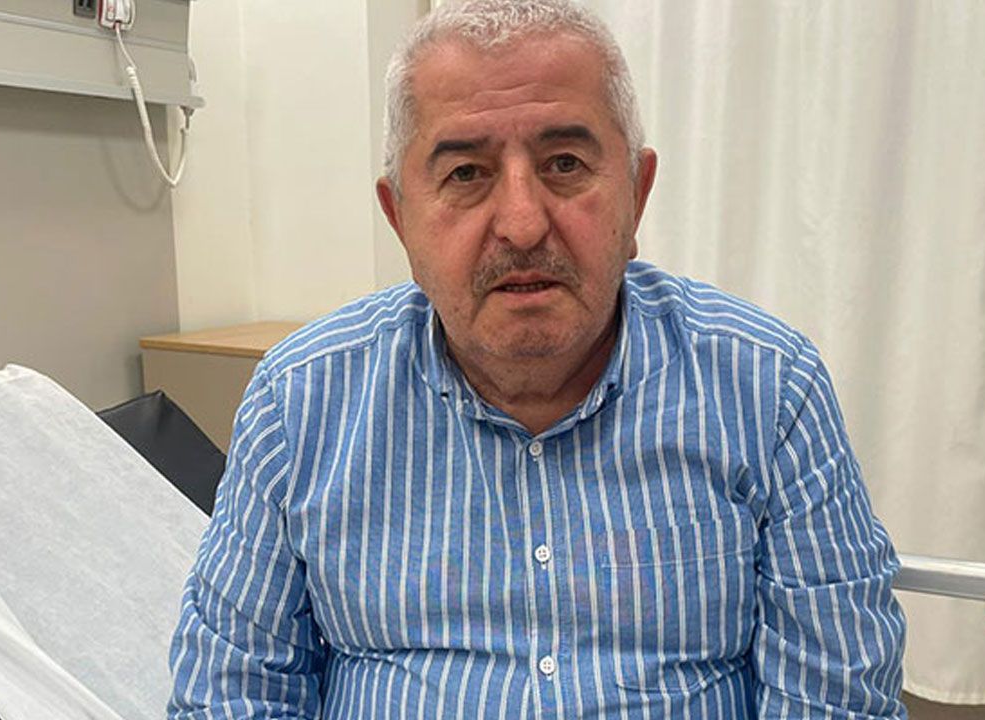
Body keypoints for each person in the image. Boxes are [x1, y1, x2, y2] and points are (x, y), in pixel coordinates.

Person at [168, 0, 907, 717]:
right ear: (400, 219)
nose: (522, 224)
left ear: (637, 194)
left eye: (564, 163)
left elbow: (836, 701)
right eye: (466, 174)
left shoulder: (769, 391)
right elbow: (231, 695)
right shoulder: (300, 403)